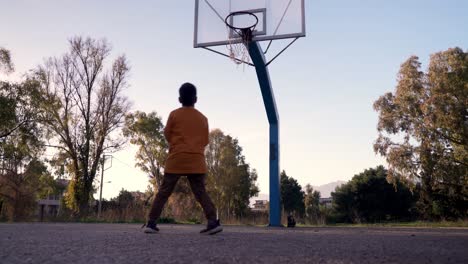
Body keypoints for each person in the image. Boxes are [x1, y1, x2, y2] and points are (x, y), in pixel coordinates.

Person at [144, 82, 222, 235]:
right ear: (196, 99)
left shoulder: (174, 114)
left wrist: (177, 143)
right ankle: (213, 222)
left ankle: (151, 223)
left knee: (164, 191)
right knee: (200, 192)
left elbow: (167, 134)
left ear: (179, 99)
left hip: (177, 158)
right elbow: (205, 140)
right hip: (196, 160)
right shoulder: (203, 118)